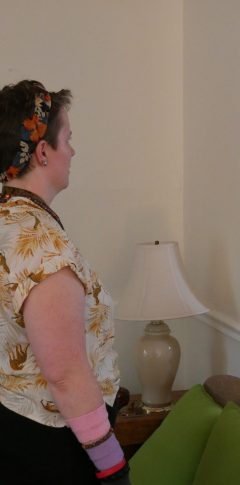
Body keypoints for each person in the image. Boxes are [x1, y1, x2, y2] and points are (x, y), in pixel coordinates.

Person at [0, 80, 130, 485]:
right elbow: (66, 375)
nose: (72, 151)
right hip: (52, 441)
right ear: (42, 151)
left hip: (16, 423)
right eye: (67, 140)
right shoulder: (44, 248)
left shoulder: (7, 218)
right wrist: (113, 466)